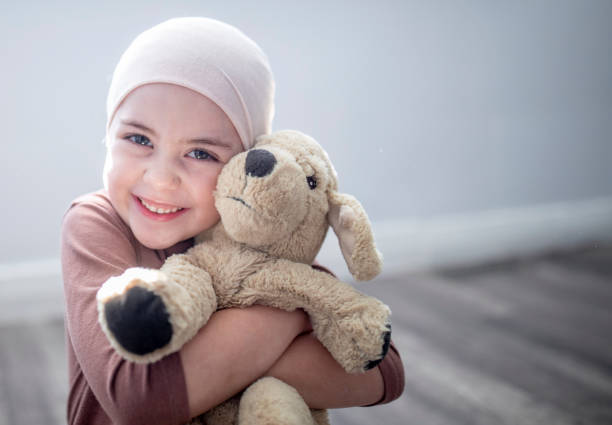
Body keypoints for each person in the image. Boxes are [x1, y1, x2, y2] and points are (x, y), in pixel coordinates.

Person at [61, 17, 404, 425]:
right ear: (108, 134)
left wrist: (210, 373)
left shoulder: (256, 236)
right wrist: (291, 312)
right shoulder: (94, 224)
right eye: (139, 139)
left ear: (242, 163)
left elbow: (383, 373)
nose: (161, 178)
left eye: (201, 153)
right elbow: (139, 401)